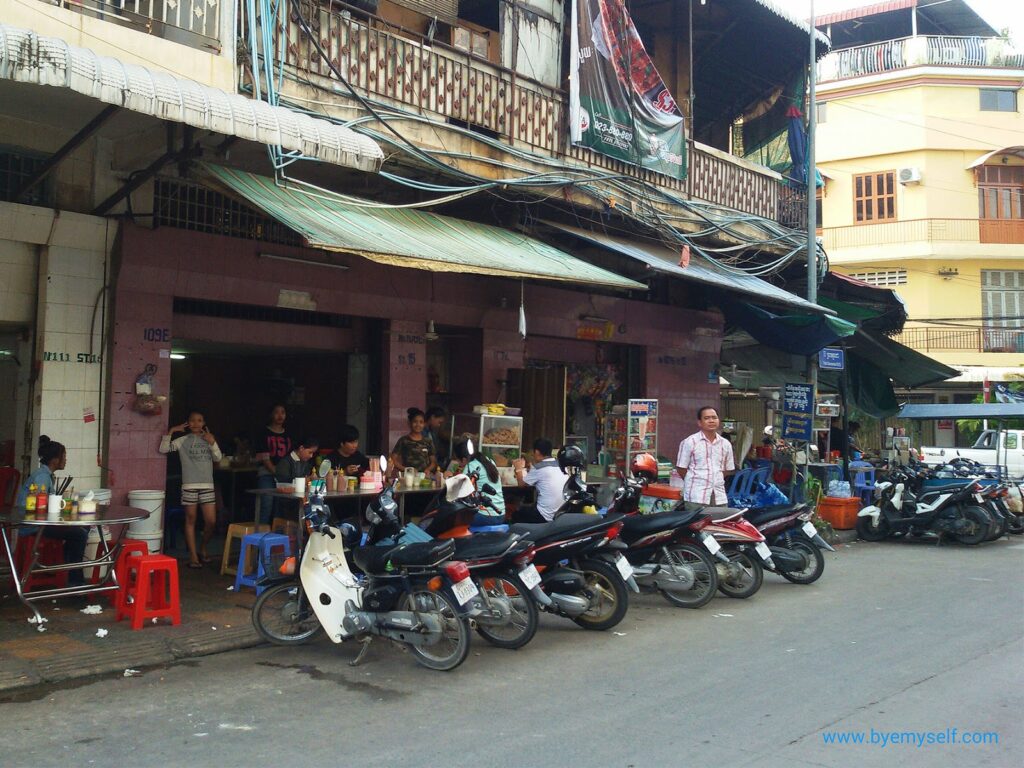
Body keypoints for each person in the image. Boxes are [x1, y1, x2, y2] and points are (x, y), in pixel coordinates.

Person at [15, 436, 88, 587]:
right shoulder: (42, 477)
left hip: (37, 522)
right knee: (80, 534)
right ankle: (75, 582)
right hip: (33, 525)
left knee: (82, 529)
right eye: (64, 456)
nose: (65, 460)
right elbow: (39, 504)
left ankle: (67, 572)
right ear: (55, 460)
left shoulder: (46, 475)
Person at [160, 411, 222, 569]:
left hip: (207, 485)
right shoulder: (182, 440)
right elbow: (163, 449)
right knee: (190, 519)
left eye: (199, 420)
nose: (196, 423)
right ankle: (194, 556)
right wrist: (172, 431)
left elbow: (218, 458)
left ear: (204, 423)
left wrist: (213, 442)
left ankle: (203, 547)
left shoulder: (208, 439)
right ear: (187, 423)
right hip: (189, 486)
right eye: (192, 421)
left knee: (211, 521)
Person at [676, 406, 735, 508]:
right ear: (699, 422)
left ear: (718, 420)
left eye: (714, 417)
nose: (711, 421)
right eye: (707, 418)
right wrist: (696, 481)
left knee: (720, 524)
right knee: (696, 524)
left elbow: (727, 470)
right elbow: (681, 468)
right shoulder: (690, 442)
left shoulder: (725, 444)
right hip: (696, 496)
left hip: (719, 496)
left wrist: (714, 478)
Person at [511, 438, 566, 523]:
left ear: (536, 452)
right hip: (561, 513)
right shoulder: (560, 465)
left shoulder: (539, 467)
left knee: (516, 514)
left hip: (545, 515)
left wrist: (518, 468)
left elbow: (521, 484)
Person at [451, 438, 505, 524]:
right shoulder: (489, 461)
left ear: (464, 459)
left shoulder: (470, 466)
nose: (458, 463)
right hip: (501, 514)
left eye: (457, 460)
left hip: (485, 516)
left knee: (452, 519)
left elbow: (457, 492)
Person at [254, 404, 292, 525]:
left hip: (284, 475)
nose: (280, 415)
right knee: (266, 503)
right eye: (276, 412)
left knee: (280, 506)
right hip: (267, 473)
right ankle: (261, 535)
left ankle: (278, 538)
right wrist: (276, 471)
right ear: (271, 414)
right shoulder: (263, 433)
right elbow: (264, 457)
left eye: (283, 412)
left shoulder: (289, 434)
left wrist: (284, 473)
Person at [390, 407, 437, 474]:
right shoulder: (403, 440)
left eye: (421, 422)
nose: (418, 425)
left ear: (424, 424)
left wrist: (428, 470)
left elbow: (433, 462)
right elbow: (392, 460)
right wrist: (406, 469)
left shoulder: (428, 441)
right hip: (408, 478)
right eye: (415, 422)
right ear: (409, 423)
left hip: (424, 478)